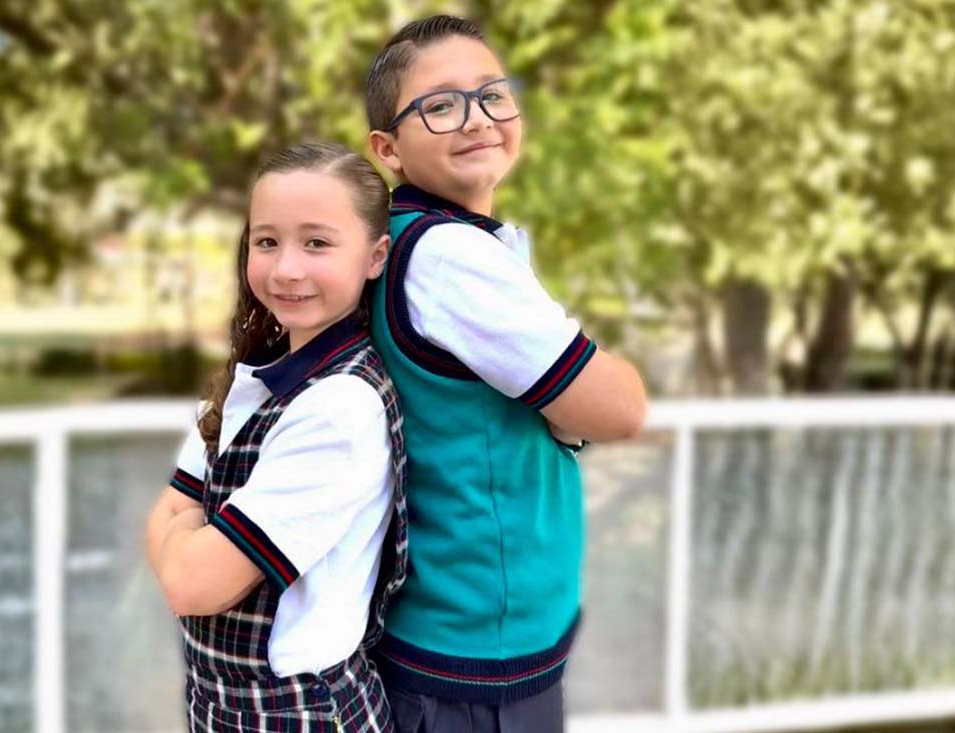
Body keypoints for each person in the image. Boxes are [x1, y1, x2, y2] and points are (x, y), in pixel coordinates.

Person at [362, 16, 648, 733]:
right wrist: (580, 397)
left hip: (463, 635)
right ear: (388, 149)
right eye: (441, 105)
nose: (477, 118)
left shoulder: (415, 241)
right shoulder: (450, 259)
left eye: (493, 94)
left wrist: (567, 402)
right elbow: (619, 408)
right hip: (473, 656)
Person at [144, 142, 408, 733]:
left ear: (375, 256)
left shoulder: (339, 407)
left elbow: (191, 582)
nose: (286, 268)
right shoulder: (257, 377)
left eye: (316, 243)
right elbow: (165, 518)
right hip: (224, 707)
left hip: (300, 713)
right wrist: (187, 539)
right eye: (267, 242)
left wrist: (188, 530)